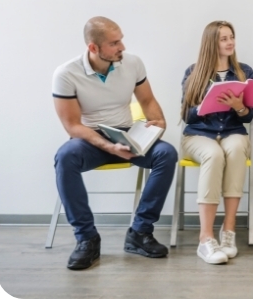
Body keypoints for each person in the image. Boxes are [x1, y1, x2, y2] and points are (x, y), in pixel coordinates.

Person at [52, 16, 177, 270]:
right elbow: (73, 125)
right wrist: (108, 146)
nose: (122, 47)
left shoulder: (132, 63)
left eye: (121, 40)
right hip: (91, 138)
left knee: (167, 153)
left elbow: (147, 100)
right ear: (93, 48)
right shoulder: (66, 74)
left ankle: (140, 232)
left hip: (127, 133)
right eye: (114, 43)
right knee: (65, 157)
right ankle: (86, 238)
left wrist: (158, 122)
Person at [180, 21, 253, 265]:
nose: (230, 42)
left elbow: (249, 115)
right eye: (223, 38)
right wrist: (204, 105)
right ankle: (206, 239)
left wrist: (238, 106)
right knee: (214, 154)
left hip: (233, 131)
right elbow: (186, 116)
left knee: (233, 150)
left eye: (231, 37)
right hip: (199, 134)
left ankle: (228, 231)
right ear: (212, 42)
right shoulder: (194, 71)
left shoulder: (244, 72)